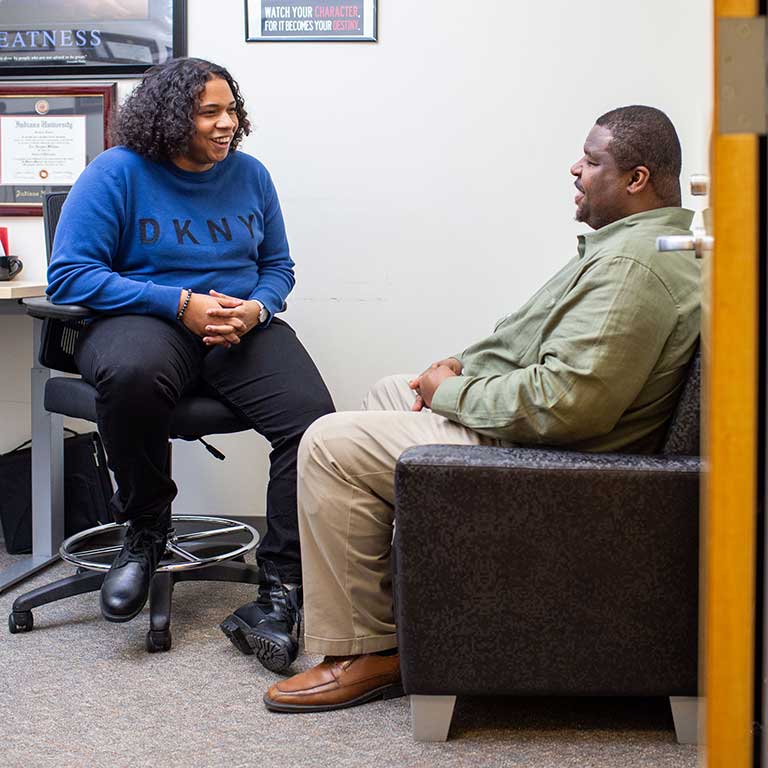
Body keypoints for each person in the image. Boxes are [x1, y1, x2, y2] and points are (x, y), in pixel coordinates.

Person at [262, 105, 701, 712]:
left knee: (330, 444)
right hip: (554, 435)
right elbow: (549, 351)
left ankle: (363, 651)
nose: (575, 169)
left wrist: (452, 393)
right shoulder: (641, 245)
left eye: (592, 160)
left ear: (637, 179)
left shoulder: (633, 267)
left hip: (564, 461)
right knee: (394, 389)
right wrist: (462, 368)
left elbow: (568, 405)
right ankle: (401, 621)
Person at [46, 57, 334, 672]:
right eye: (210, 112)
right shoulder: (116, 173)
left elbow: (278, 265)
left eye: (232, 109)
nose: (227, 123)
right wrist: (178, 303)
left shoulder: (251, 175)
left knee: (313, 423)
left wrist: (258, 308)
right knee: (132, 374)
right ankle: (144, 530)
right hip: (143, 317)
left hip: (235, 323)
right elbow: (70, 275)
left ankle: (281, 587)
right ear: (172, 117)